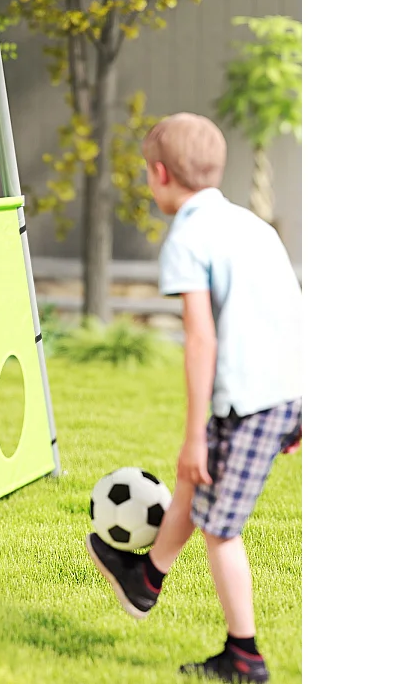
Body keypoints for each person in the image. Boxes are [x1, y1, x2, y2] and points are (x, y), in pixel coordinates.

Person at [85, 112, 302, 683]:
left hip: (250, 402)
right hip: (284, 392)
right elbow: (292, 309)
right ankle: (146, 580)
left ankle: (244, 656)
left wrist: (191, 437)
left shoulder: (187, 237)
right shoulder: (253, 226)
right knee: (192, 484)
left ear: (159, 174)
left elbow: (201, 339)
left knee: (221, 529)